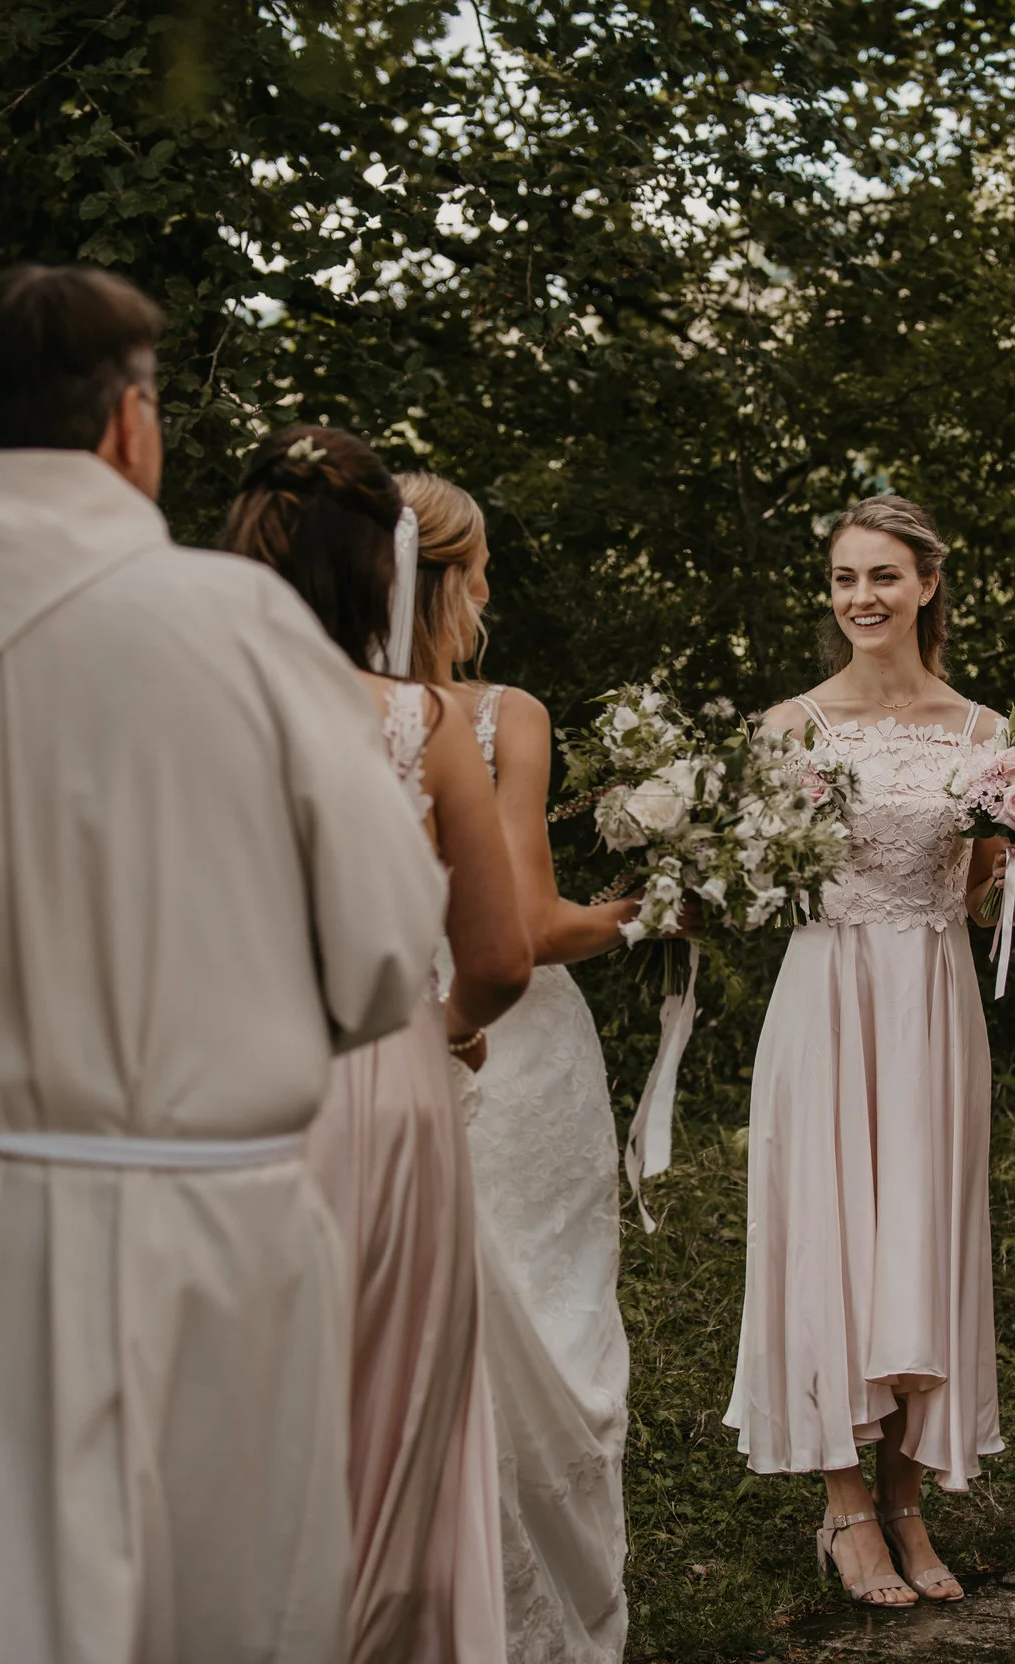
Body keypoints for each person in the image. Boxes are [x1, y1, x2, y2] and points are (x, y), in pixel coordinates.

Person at [0, 265, 447, 1663]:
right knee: (217, 1627)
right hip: (202, 1233)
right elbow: (378, 956)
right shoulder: (243, 631)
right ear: (130, 426)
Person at [226, 429, 534, 1664]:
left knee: (248, 1407)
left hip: (223, 1094)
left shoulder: (190, 706)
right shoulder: (419, 716)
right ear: (379, 570)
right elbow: (501, 956)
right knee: (394, 1407)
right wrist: (449, 1027)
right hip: (383, 1080)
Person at [729, 494, 1015, 1608]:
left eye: (884, 576)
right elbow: (757, 884)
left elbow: (994, 875)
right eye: (847, 577)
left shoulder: (988, 733)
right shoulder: (785, 726)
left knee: (924, 1226)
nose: (863, 597)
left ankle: (908, 1493)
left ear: (928, 584)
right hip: (829, 992)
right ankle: (844, 1501)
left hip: (934, 993)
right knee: (834, 1230)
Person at [392, 471, 637, 1664]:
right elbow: (530, 928)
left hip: (372, 1040)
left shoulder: (303, 708)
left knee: (418, 1321)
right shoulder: (501, 715)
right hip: (508, 1040)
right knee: (548, 1314)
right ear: (463, 577)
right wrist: (638, 915)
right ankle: (545, 1605)